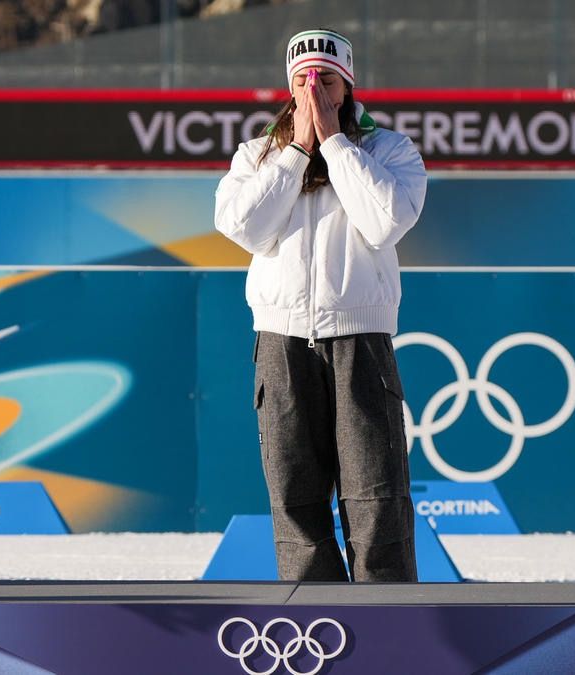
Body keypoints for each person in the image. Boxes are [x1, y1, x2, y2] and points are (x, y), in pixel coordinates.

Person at [214, 28, 427, 582]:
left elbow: (385, 223)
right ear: (287, 88)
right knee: (295, 500)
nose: (314, 93)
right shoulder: (257, 155)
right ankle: (313, 620)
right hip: (281, 341)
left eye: (327, 81)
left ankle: (389, 621)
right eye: (303, 81)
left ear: (347, 87)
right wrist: (297, 152)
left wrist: (334, 144)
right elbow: (245, 229)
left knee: (376, 497)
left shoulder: (389, 150)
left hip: (360, 339)